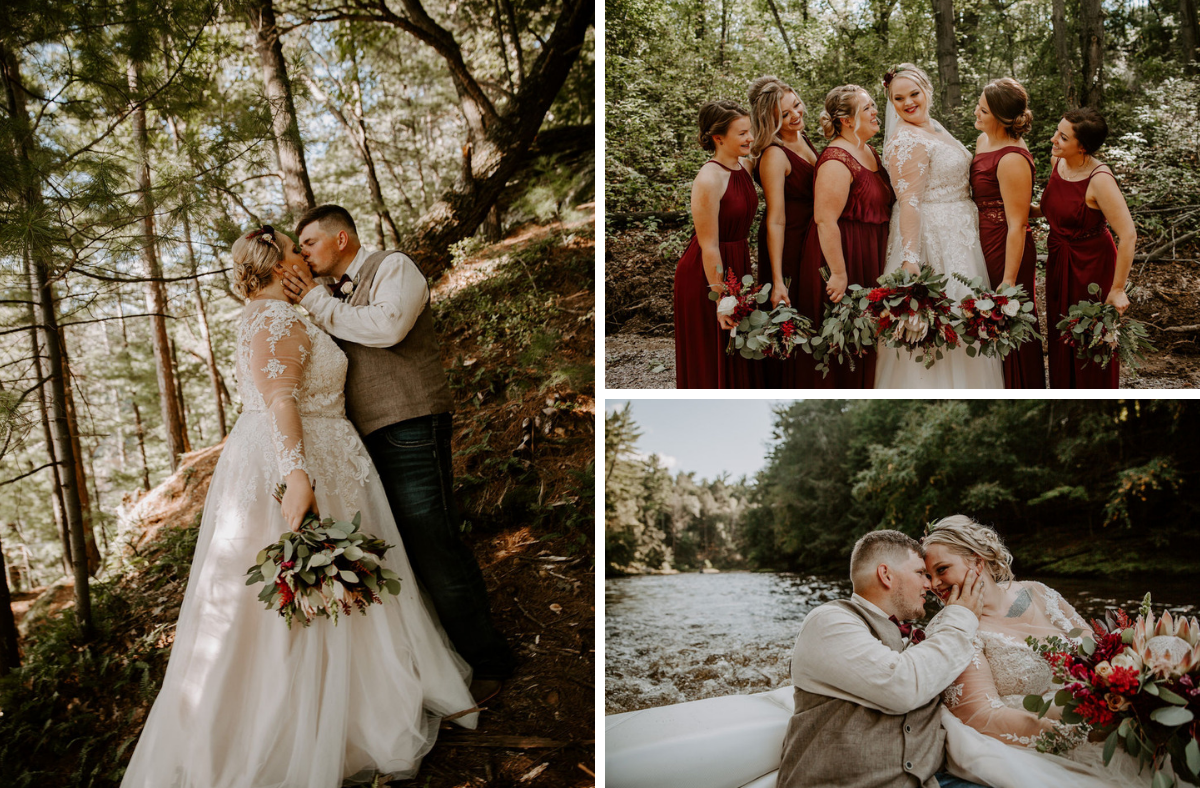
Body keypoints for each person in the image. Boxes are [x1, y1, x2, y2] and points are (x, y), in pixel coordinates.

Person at [120, 226, 478, 788]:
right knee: (307, 585)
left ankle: (356, 703)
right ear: (275, 263)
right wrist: (297, 476)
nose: (305, 258)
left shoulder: (282, 314)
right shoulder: (278, 318)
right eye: (296, 250)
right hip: (304, 457)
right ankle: (307, 724)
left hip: (326, 451)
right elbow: (282, 400)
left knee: (348, 580)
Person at [278, 205, 515, 698]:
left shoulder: (393, 268)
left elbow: (387, 329)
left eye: (309, 244)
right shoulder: (325, 298)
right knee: (397, 549)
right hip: (357, 439)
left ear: (341, 238)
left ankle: (490, 661)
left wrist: (319, 305)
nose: (302, 255)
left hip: (410, 423)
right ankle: (435, 661)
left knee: (434, 544)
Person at [923, 516, 1153, 787]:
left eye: (942, 569)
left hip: (1110, 715)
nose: (934, 585)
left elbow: (1100, 650)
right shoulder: (952, 628)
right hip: (1039, 741)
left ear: (976, 560)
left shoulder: (1039, 592)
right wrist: (1078, 732)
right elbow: (980, 715)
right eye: (927, 576)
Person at [778, 530, 990, 788]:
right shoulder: (827, 621)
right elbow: (902, 686)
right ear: (886, 575)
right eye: (920, 573)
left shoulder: (922, 636)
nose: (929, 584)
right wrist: (961, 618)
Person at [875, 64, 1004, 389]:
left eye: (913, 94)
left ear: (927, 90)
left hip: (961, 236)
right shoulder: (905, 139)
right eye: (898, 98)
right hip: (932, 240)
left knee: (966, 321)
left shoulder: (934, 126)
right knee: (938, 322)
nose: (907, 103)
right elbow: (909, 202)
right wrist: (910, 258)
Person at [798, 84, 895, 389]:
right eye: (868, 108)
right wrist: (839, 273)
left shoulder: (867, 150)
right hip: (845, 255)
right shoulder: (836, 159)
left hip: (872, 252)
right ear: (848, 120)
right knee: (849, 342)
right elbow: (825, 220)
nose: (875, 112)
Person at [1040, 108, 1137, 389]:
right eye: (1057, 131)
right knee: (1061, 333)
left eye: (1062, 137)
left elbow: (1128, 235)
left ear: (1082, 147)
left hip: (1092, 266)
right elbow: (1054, 208)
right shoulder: (1057, 163)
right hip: (1059, 259)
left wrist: (1117, 289)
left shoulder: (1100, 180)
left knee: (1089, 340)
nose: (1053, 140)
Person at [673, 100, 762, 389]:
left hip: (738, 260)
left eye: (749, 131)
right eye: (742, 133)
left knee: (738, 349)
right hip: (707, 273)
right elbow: (709, 245)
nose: (750, 138)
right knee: (714, 352)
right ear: (718, 138)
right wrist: (722, 298)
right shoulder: (708, 179)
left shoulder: (744, 165)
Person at [969, 78, 1045, 388]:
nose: (976, 111)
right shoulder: (983, 141)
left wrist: (1009, 281)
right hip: (980, 240)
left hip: (1006, 245)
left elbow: (1018, 223)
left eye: (983, 109)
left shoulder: (1012, 158)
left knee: (1007, 317)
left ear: (1001, 119)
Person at [748, 75, 819, 389]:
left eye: (797, 106)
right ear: (770, 120)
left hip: (811, 237)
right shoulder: (775, 155)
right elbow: (775, 219)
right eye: (785, 115)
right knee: (791, 315)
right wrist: (777, 280)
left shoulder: (802, 137)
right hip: (787, 244)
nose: (796, 116)